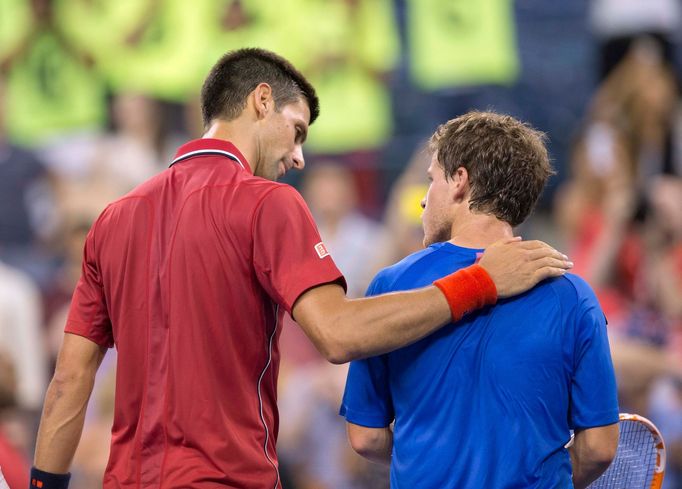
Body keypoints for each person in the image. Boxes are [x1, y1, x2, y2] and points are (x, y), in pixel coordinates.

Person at [30, 49, 571, 489]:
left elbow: (69, 382)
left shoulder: (113, 219)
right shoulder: (268, 202)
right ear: (261, 101)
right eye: (298, 130)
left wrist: (43, 484)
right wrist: (483, 281)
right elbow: (338, 334)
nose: (299, 158)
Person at [340, 112, 620, 489]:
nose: (422, 201)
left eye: (430, 181)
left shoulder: (392, 284)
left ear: (459, 180)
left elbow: (366, 436)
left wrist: (429, 451)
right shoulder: (574, 295)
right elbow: (599, 448)